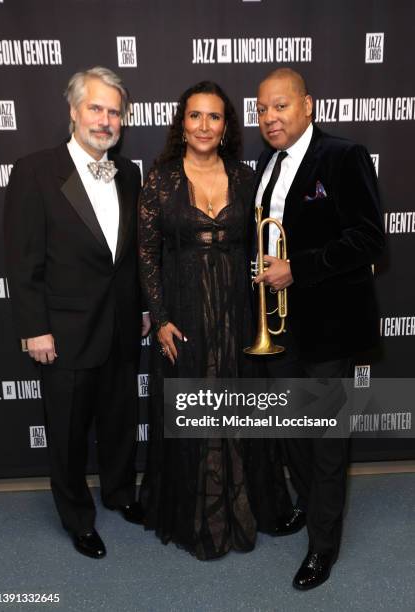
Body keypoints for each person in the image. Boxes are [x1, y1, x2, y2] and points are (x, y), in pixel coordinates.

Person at [138, 80, 293, 560]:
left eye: (215, 117)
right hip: (183, 313)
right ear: (181, 124)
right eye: (195, 116)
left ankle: (248, 506)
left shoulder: (247, 179)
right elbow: (147, 254)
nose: (204, 126)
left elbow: (262, 243)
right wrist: (160, 318)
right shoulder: (160, 179)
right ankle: (193, 514)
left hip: (238, 312)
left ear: (226, 126)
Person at [4, 66, 150, 559]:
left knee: (119, 421)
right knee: (67, 434)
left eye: (114, 111)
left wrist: (144, 309)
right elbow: (22, 260)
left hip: (122, 327)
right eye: (96, 108)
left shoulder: (129, 173)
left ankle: (120, 493)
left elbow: (131, 256)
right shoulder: (35, 170)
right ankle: (77, 517)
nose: (105, 120)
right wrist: (35, 329)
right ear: (73, 112)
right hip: (62, 333)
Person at [252, 68, 385, 589]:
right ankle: (309, 506)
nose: (270, 117)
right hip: (281, 327)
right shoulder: (267, 163)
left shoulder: (343, 156)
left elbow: (370, 239)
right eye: (262, 109)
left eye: (280, 106)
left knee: (327, 440)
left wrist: (297, 268)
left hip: (328, 329)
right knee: (293, 433)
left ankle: (322, 548)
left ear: (308, 105)